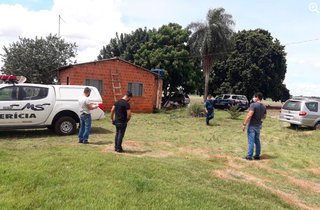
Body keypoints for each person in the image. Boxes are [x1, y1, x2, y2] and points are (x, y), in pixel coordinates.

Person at [242, 92, 267, 160]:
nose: (253, 98)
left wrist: (244, 124)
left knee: (251, 141)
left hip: (252, 126)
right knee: (257, 141)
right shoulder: (264, 106)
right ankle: (257, 156)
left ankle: (249, 156)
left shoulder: (253, 105)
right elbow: (264, 117)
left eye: (254, 97)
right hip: (258, 125)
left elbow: (249, 115)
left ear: (257, 97)